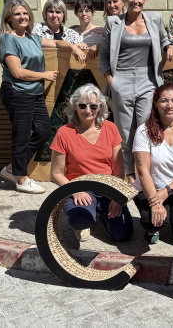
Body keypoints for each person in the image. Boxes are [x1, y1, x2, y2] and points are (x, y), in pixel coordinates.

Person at [0, 0, 86, 194]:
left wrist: (73, 47)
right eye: (17, 14)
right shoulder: (8, 39)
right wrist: (44, 75)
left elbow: (54, 42)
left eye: (25, 13)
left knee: (44, 133)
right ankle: (21, 178)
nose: (22, 17)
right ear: (9, 18)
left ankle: (12, 168)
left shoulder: (32, 38)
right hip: (17, 92)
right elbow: (17, 72)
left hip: (34, 93)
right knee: (21, 136)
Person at [100, 0, 173, 182]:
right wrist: (111, 81)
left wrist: (169, 46)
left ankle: (146, 172)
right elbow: (104, 55)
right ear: (125, 0)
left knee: (146, 128)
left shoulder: (155, 19)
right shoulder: (113, 22)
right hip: (121, 79)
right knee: (125, 132)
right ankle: (129, 174)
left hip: (148, 79)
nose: (136, 1)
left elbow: (164, 39)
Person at [50, 84, 133, 243]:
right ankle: (84, 220)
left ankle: (100, 213)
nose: (88, 110)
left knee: (122, 234)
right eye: (82, 105)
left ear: (100, 107)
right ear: (75, 106)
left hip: (108, 186)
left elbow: (118, 167)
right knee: (81, 216)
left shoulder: (110, 128)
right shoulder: (64, 133)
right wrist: (74, 191)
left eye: (93, 106)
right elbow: (56, 173)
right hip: (81, 187)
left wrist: (118, 197)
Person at [132, 83, 173, 245]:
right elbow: (143, 172)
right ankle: (151, 228)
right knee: (153, 220)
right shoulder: (143, 131)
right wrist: (155, 202)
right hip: (149, 190)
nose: (170, 106)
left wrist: (167, 191)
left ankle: (168, 214)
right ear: (155, 103)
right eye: (164, 101)